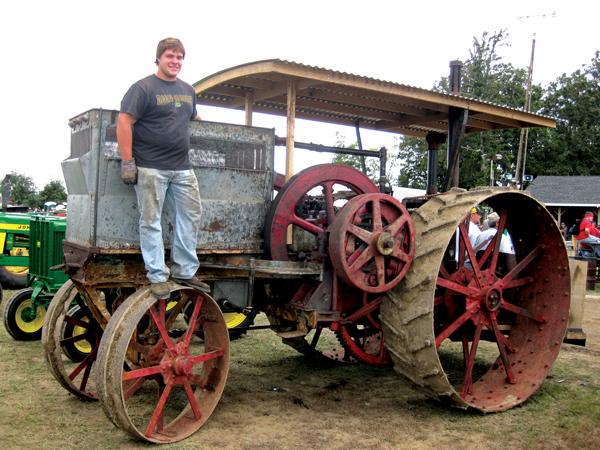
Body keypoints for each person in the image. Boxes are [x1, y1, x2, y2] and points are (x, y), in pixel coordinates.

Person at [117, 37, 209, 298]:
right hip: (150, 167)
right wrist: (127, 162)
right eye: (170, 56)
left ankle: (185, 270)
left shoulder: (187, 90)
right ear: (158, 58)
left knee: (191, 214)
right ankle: (157, 275)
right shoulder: (143, 88)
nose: (175, 61)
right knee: (151, 221)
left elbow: (192, 117)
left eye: (180, 57)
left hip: (182, 166)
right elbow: (124, 122)